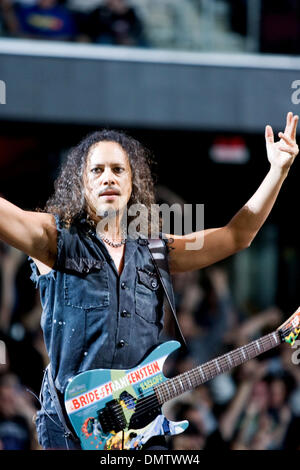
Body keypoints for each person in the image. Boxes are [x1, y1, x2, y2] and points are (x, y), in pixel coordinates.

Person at [0, 112, 298, 450]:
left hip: (137, 434)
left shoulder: (156, 250)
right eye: (96, 171)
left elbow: (235, 236)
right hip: (70, 432)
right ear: (82, 183)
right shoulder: (54, 240)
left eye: (118, 170)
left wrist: (278, 171)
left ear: (132, 182)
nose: (107, 178)